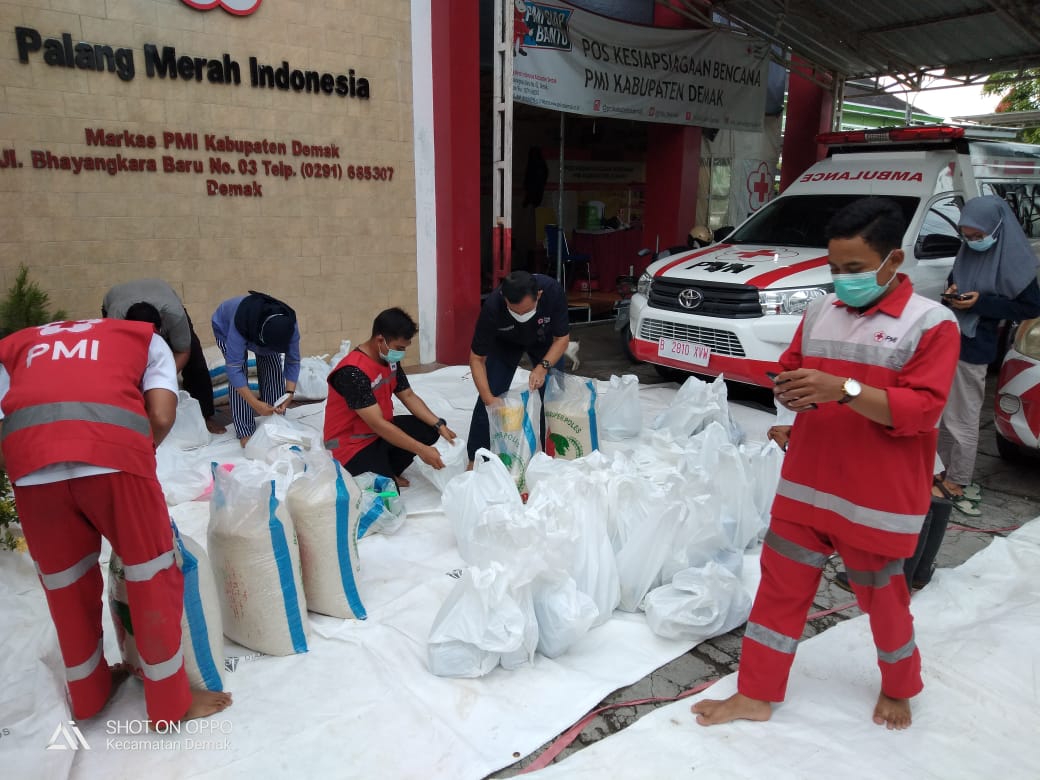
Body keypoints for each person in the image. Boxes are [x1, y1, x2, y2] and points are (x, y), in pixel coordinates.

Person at [692, 197, 960, 731]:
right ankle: (756, 692)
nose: (842, 280)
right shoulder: (819, 311)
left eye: (854, 268)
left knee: (883, 600)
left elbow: (920, 412)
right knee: (779, 591)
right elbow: (792, 366)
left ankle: (900, 686)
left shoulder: (931, 324)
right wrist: (790, 390)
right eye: (835, 268)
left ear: (893, 260)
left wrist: (844, 389)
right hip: (807, 483)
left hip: (875, 495)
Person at [0, 318, 232, 726]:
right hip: (117, 463)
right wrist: (131, 457)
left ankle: (88, 694)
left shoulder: (13, 347)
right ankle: (170, 705)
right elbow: (161, 415)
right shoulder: (144, 339)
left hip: (33, 471)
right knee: (150, 576)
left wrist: (34, 467)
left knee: (66, 586)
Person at [936, 195, 1040, 512]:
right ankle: (940, 471)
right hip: (949, 339)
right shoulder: (967, 252)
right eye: (966, 235)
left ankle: (958, 479)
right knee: (943, 415)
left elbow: (1030, 307)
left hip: (975, 344)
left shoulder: (1016, 263)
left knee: (962, 417)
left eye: (978, 236)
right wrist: (952, 294)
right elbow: (955, 281)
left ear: (996, 229)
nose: (971, 241)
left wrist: (980, 303)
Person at [325, 307, 457, 487]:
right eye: (399, 348)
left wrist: (439, 424)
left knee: (429, 429)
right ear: (380, 340)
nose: (401, 353)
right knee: (388, 491)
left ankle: (388, 469)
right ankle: (381, 473)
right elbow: (378, 424)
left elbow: (408, 395)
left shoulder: (389, 360)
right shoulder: (352, 372)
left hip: (377, 434)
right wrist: (422, 450)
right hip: (350, 445)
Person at [467, 270, 570, 464]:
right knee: (490, 393)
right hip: (506, 342)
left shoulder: (552, 291)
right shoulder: (493, 306)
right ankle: (476, 458)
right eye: (514, 311)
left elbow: (562, 339)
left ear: (538, 295)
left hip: (543, 340)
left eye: (526, 311)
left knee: (553, 393)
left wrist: (542, 367)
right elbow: (476, 358)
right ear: (504, 298)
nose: (521, 315)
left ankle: (550, 453)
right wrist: (489, 399)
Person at [103, 279, 225, 434]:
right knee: (120, 373)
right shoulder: (115, 320)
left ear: (161, 327)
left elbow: (183, 351)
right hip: (117, 301)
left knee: (196, 364)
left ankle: (205, 417)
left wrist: (159, 380)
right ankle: (123, 421)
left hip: (165, 300)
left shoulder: (175, 315)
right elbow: (116, 360)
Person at [211, 291, 300, 446]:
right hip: (226, 327)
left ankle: (275, 422)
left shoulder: (290, 326)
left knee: (273, 366)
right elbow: (234, 370)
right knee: (240, 372)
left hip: (262, 331)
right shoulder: (239, 325)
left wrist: (289, 393)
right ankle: (245, 430)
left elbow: (293, 360)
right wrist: (254, 403)